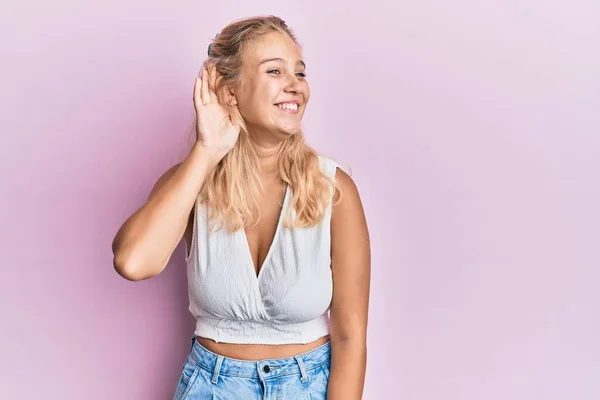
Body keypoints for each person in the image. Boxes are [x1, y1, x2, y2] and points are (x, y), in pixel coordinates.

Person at [111, 15, 370, 400]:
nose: (295, 85)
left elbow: (351, 338)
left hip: (308, 386)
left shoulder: (333, 190)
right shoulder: (190, 182)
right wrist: (206, 151)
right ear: (230, 92)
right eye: (274, 71)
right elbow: (134, 262)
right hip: (210, 387)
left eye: (299, 72)